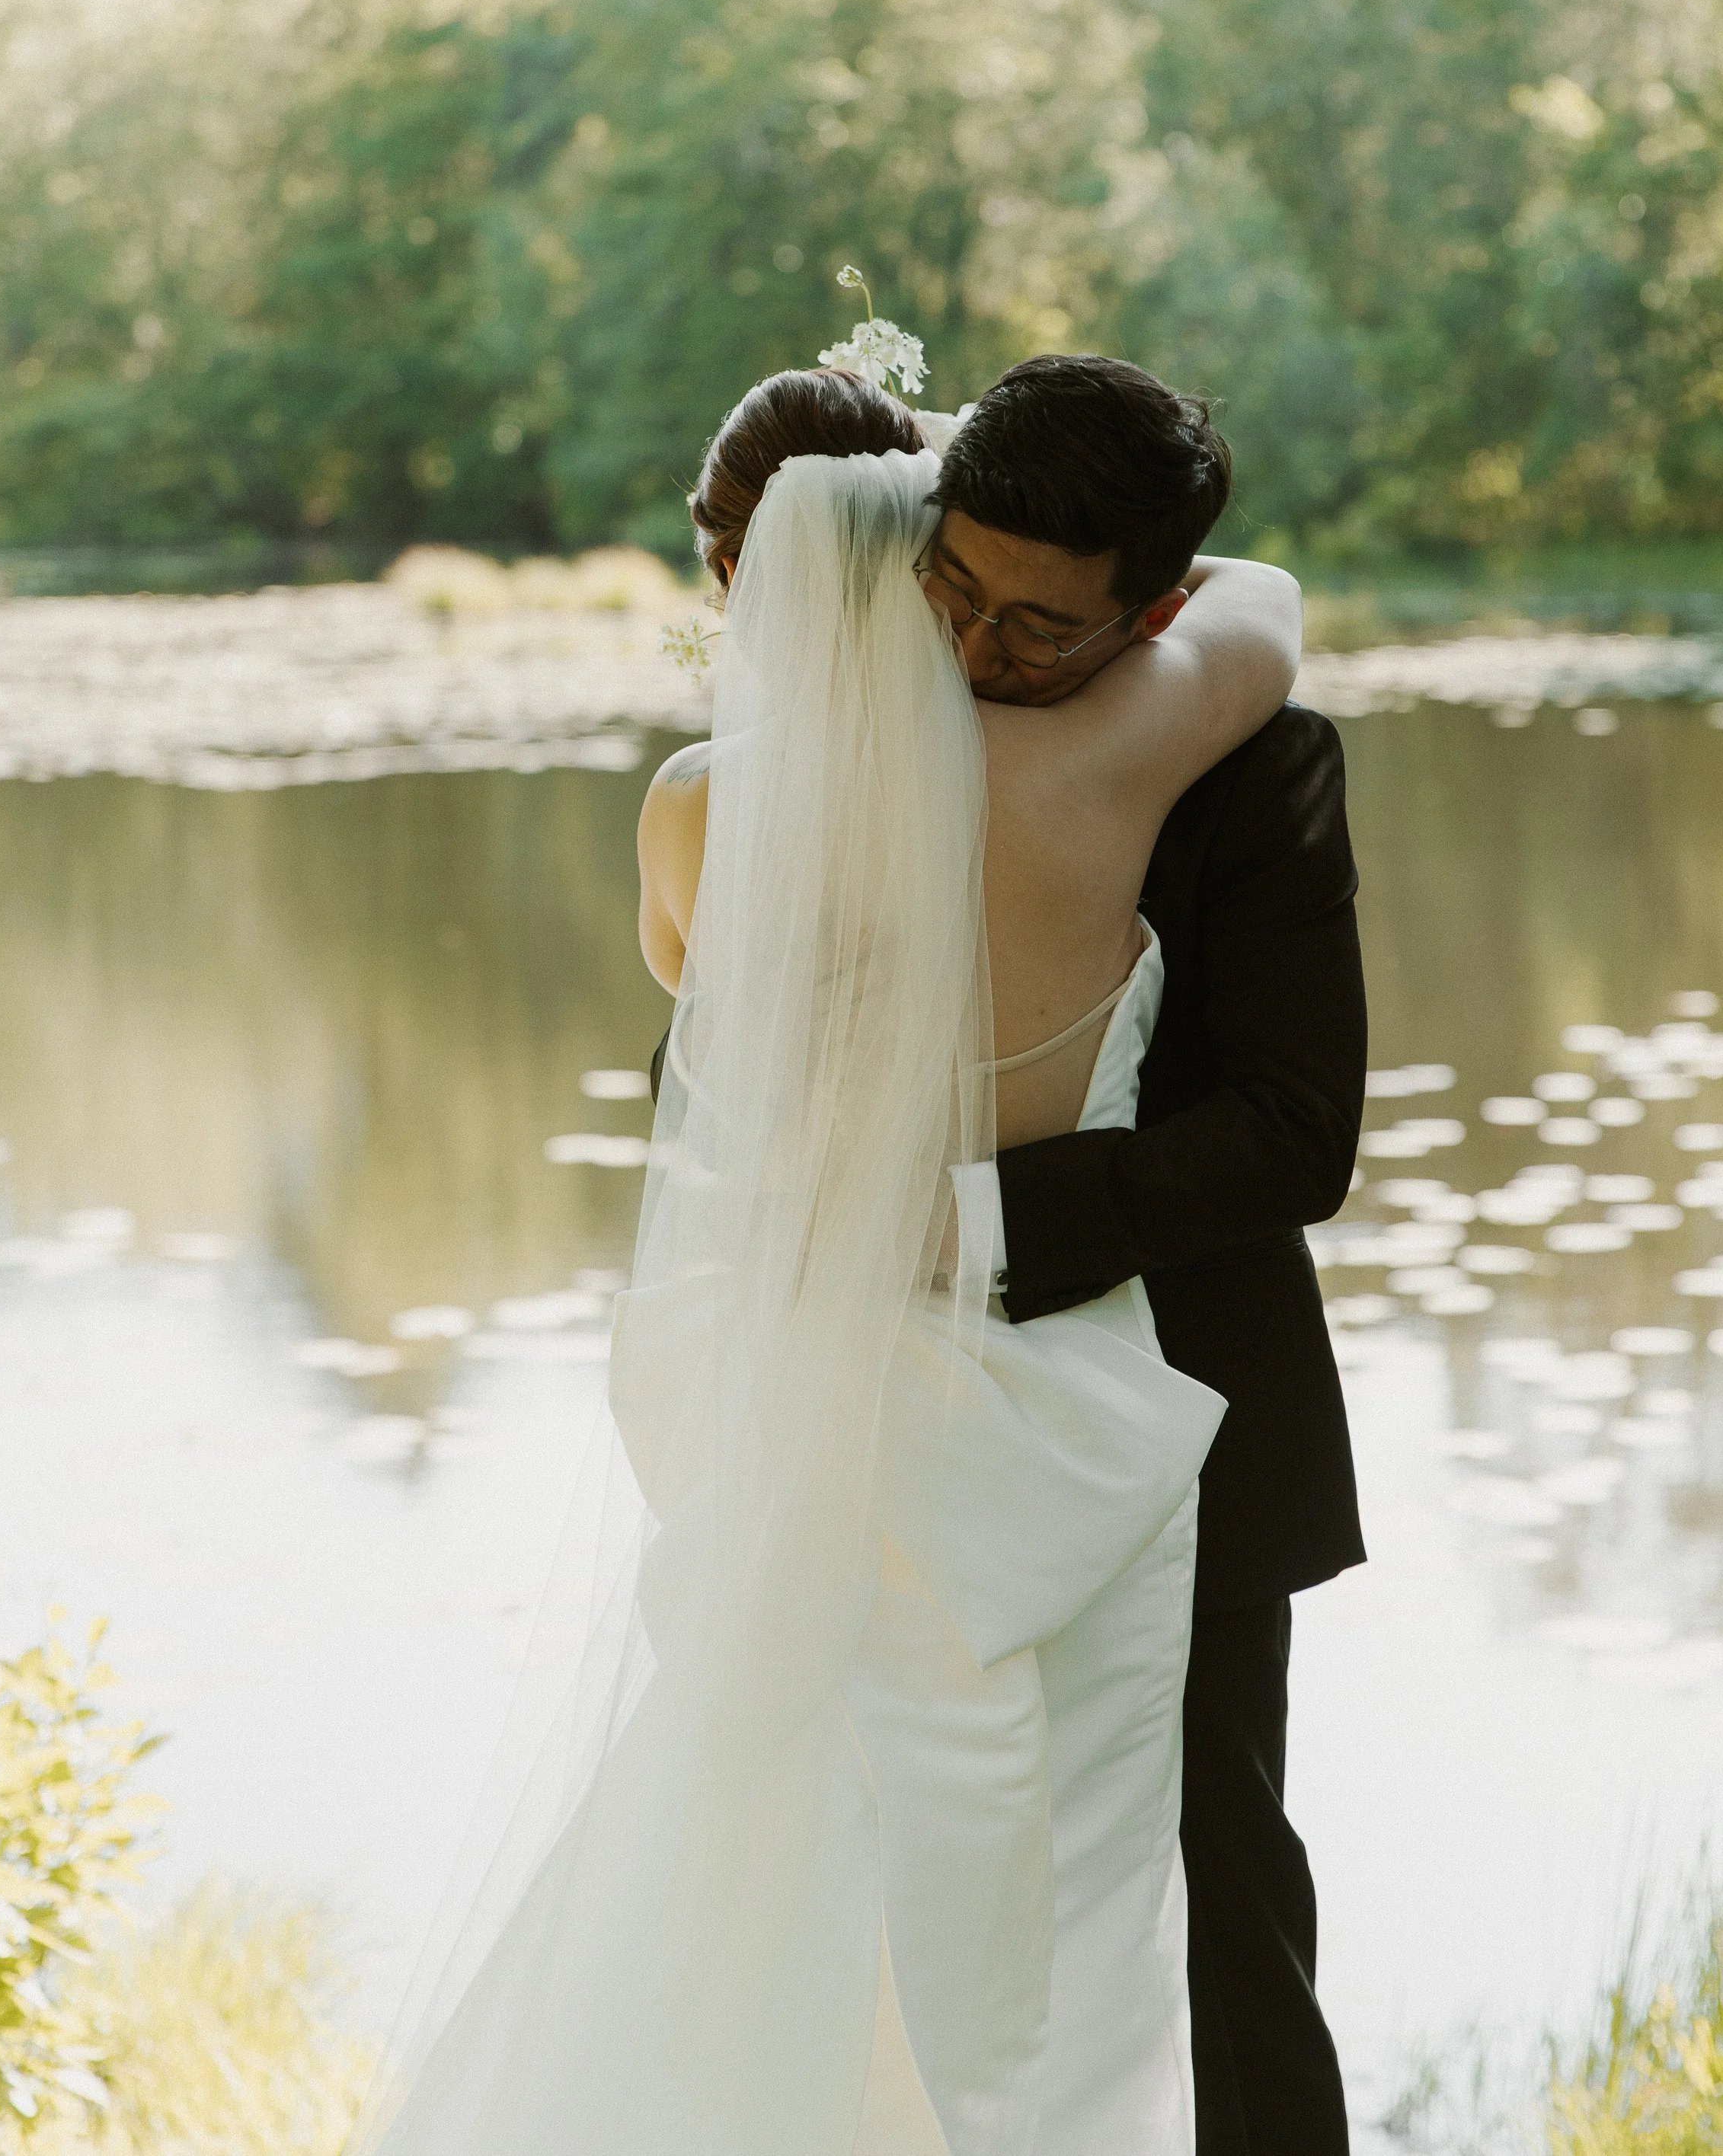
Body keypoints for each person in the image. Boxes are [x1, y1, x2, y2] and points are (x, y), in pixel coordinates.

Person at [357, 361, 1304, 2156]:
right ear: (925, 540)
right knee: (1050, 1906)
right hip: (1057, 1430)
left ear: (760, 578)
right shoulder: (1116, 755)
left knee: (763, 1842)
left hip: (811, 1405)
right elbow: (1263, 614)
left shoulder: (706, 813)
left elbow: (717, 1046)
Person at [932, 354, 1367, 2156]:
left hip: (1186, 1414)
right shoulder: (863, 715)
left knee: (1219, 1901)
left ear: (1160, 608)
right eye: (952, 590)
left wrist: (965, 1227)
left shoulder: (1259, 768)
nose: (977, 654)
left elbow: (1293, 1131)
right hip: (897, 1426)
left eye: (1042, 632)